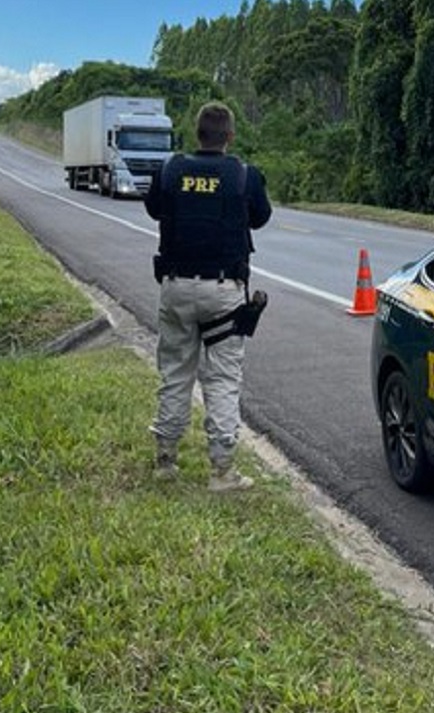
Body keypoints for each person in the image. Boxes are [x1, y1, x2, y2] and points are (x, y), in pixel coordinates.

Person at [144, 101, 273, 491]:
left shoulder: (170, 170)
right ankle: (222, 471)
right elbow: (260, 217)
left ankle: (166, 460)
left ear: (196, 133)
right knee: (221, 379)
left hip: (177, 288)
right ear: (229, 137)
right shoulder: (244, 175)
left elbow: (154, 210)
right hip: (223, 294)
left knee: (175, 373)